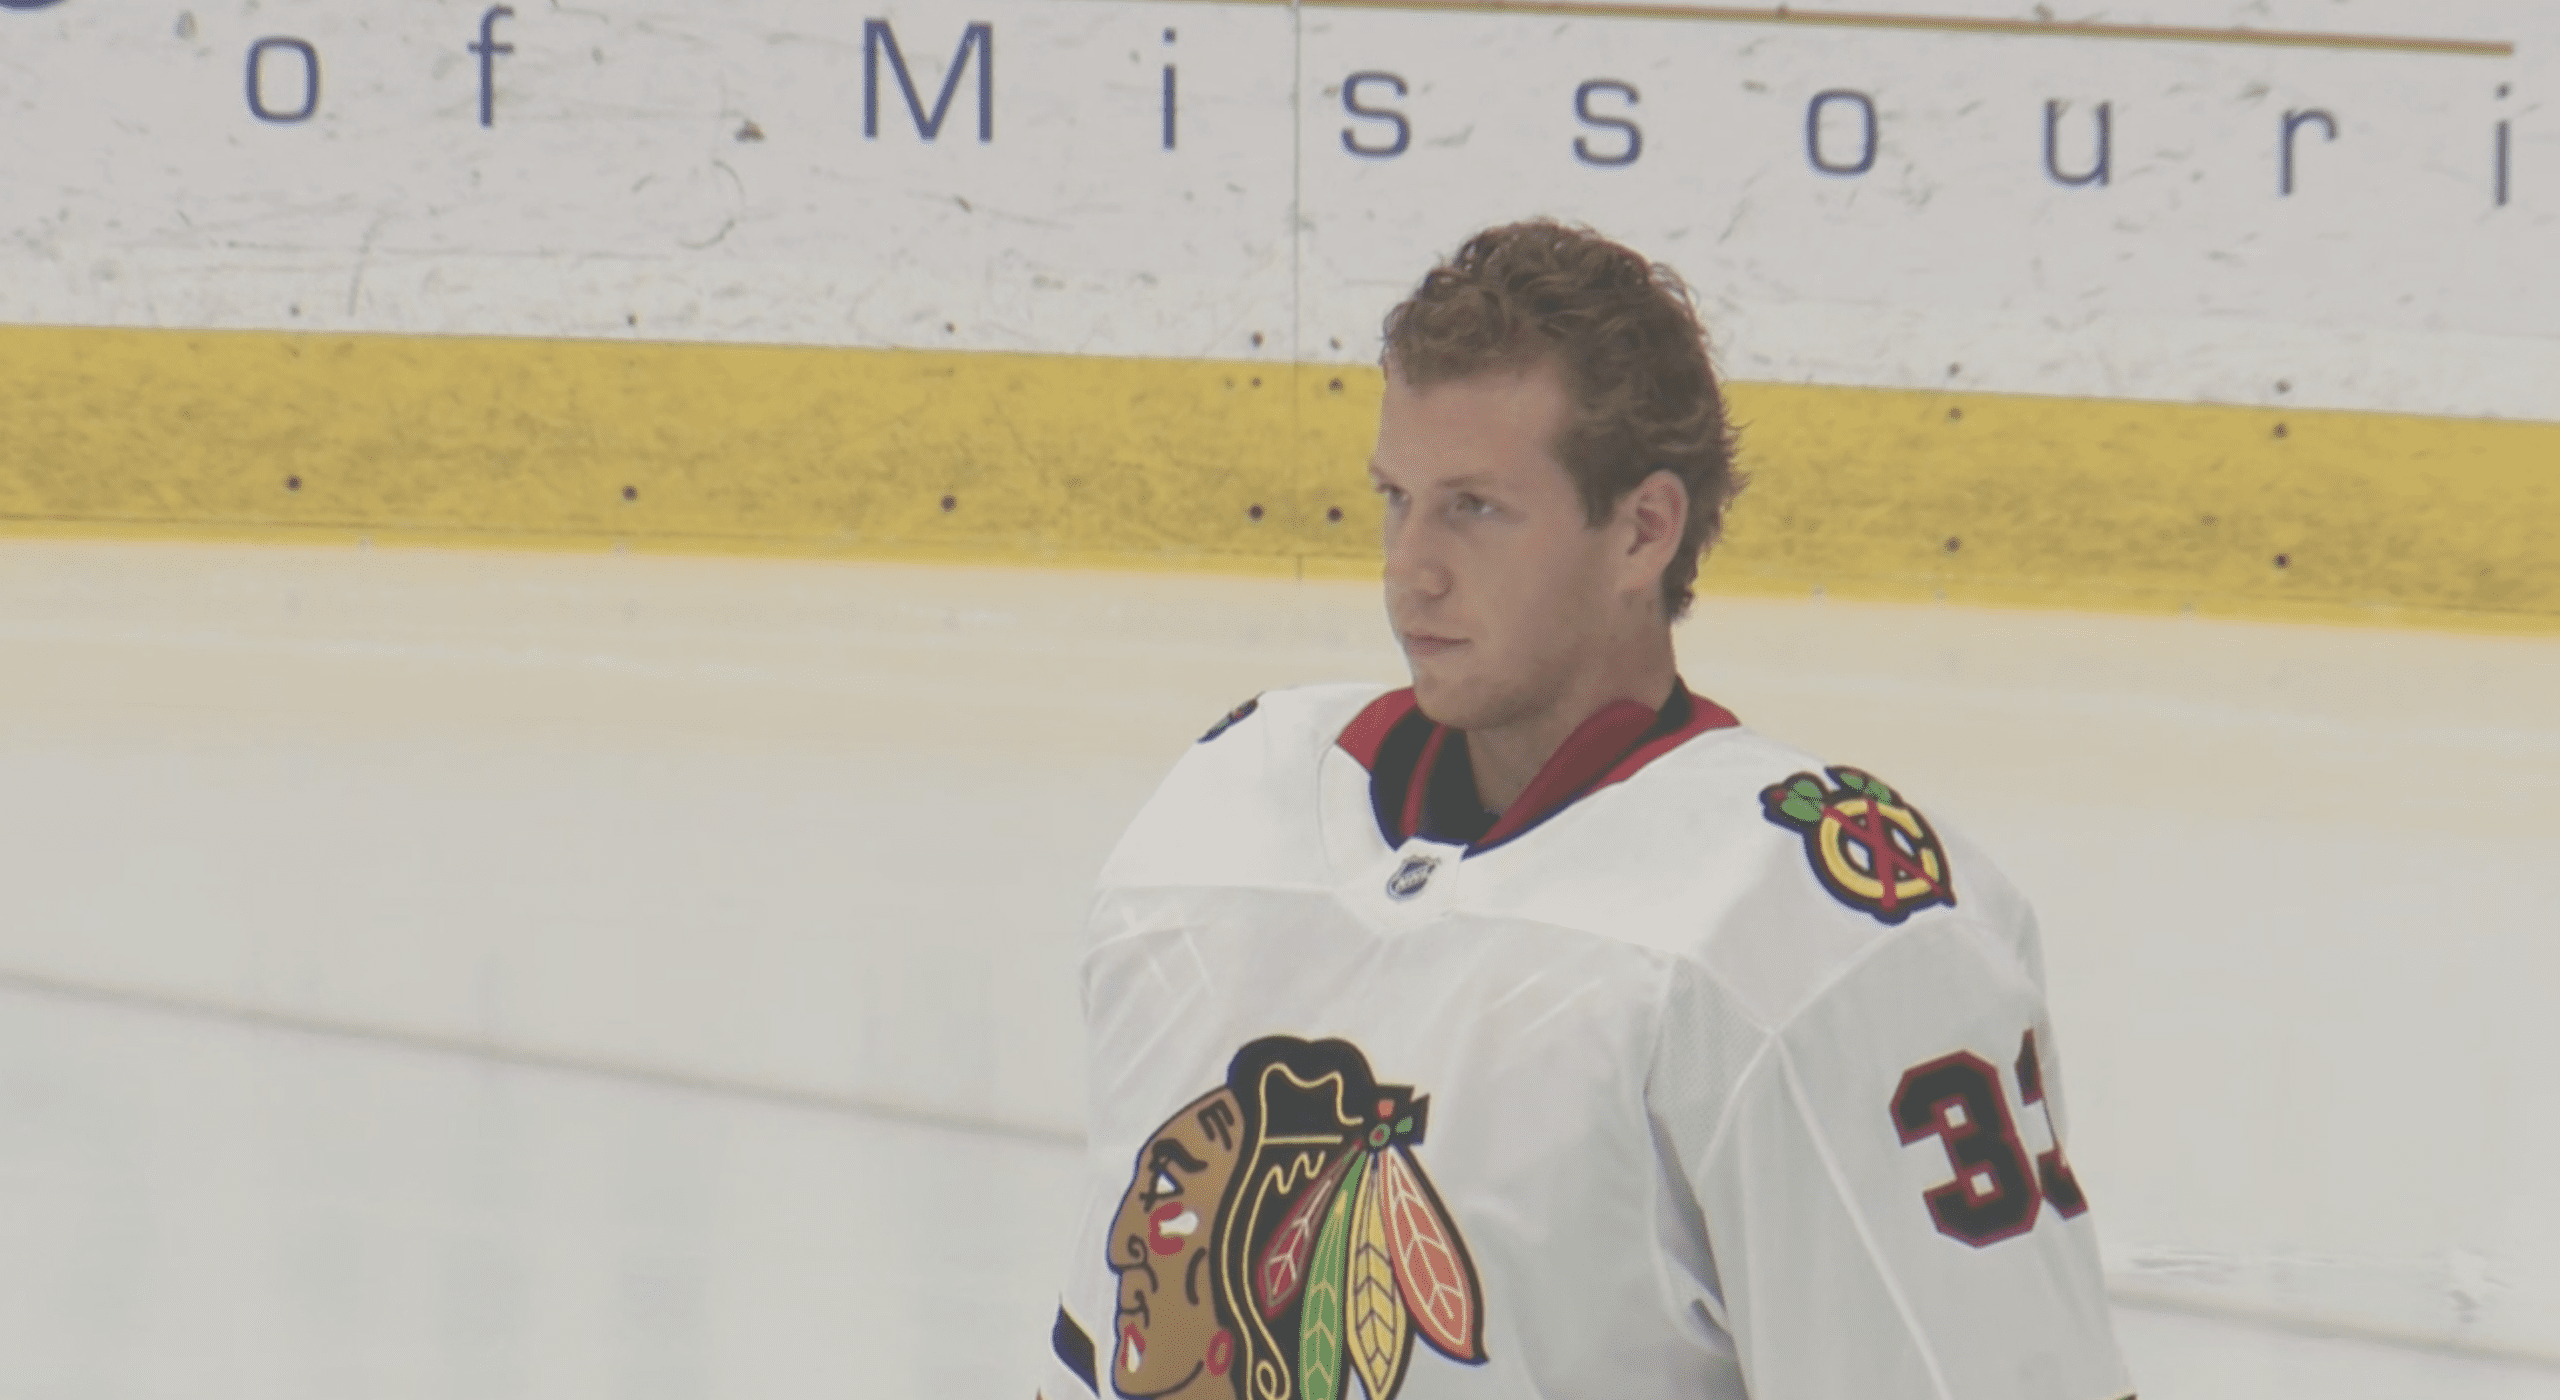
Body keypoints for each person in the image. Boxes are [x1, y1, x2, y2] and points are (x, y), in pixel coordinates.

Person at [1035, 221, 2132, 1400]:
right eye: (1395, 498)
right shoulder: (1223, 820)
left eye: (1476, 508)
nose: (1412, 567)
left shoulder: (1799, 934)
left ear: (1642, 530)